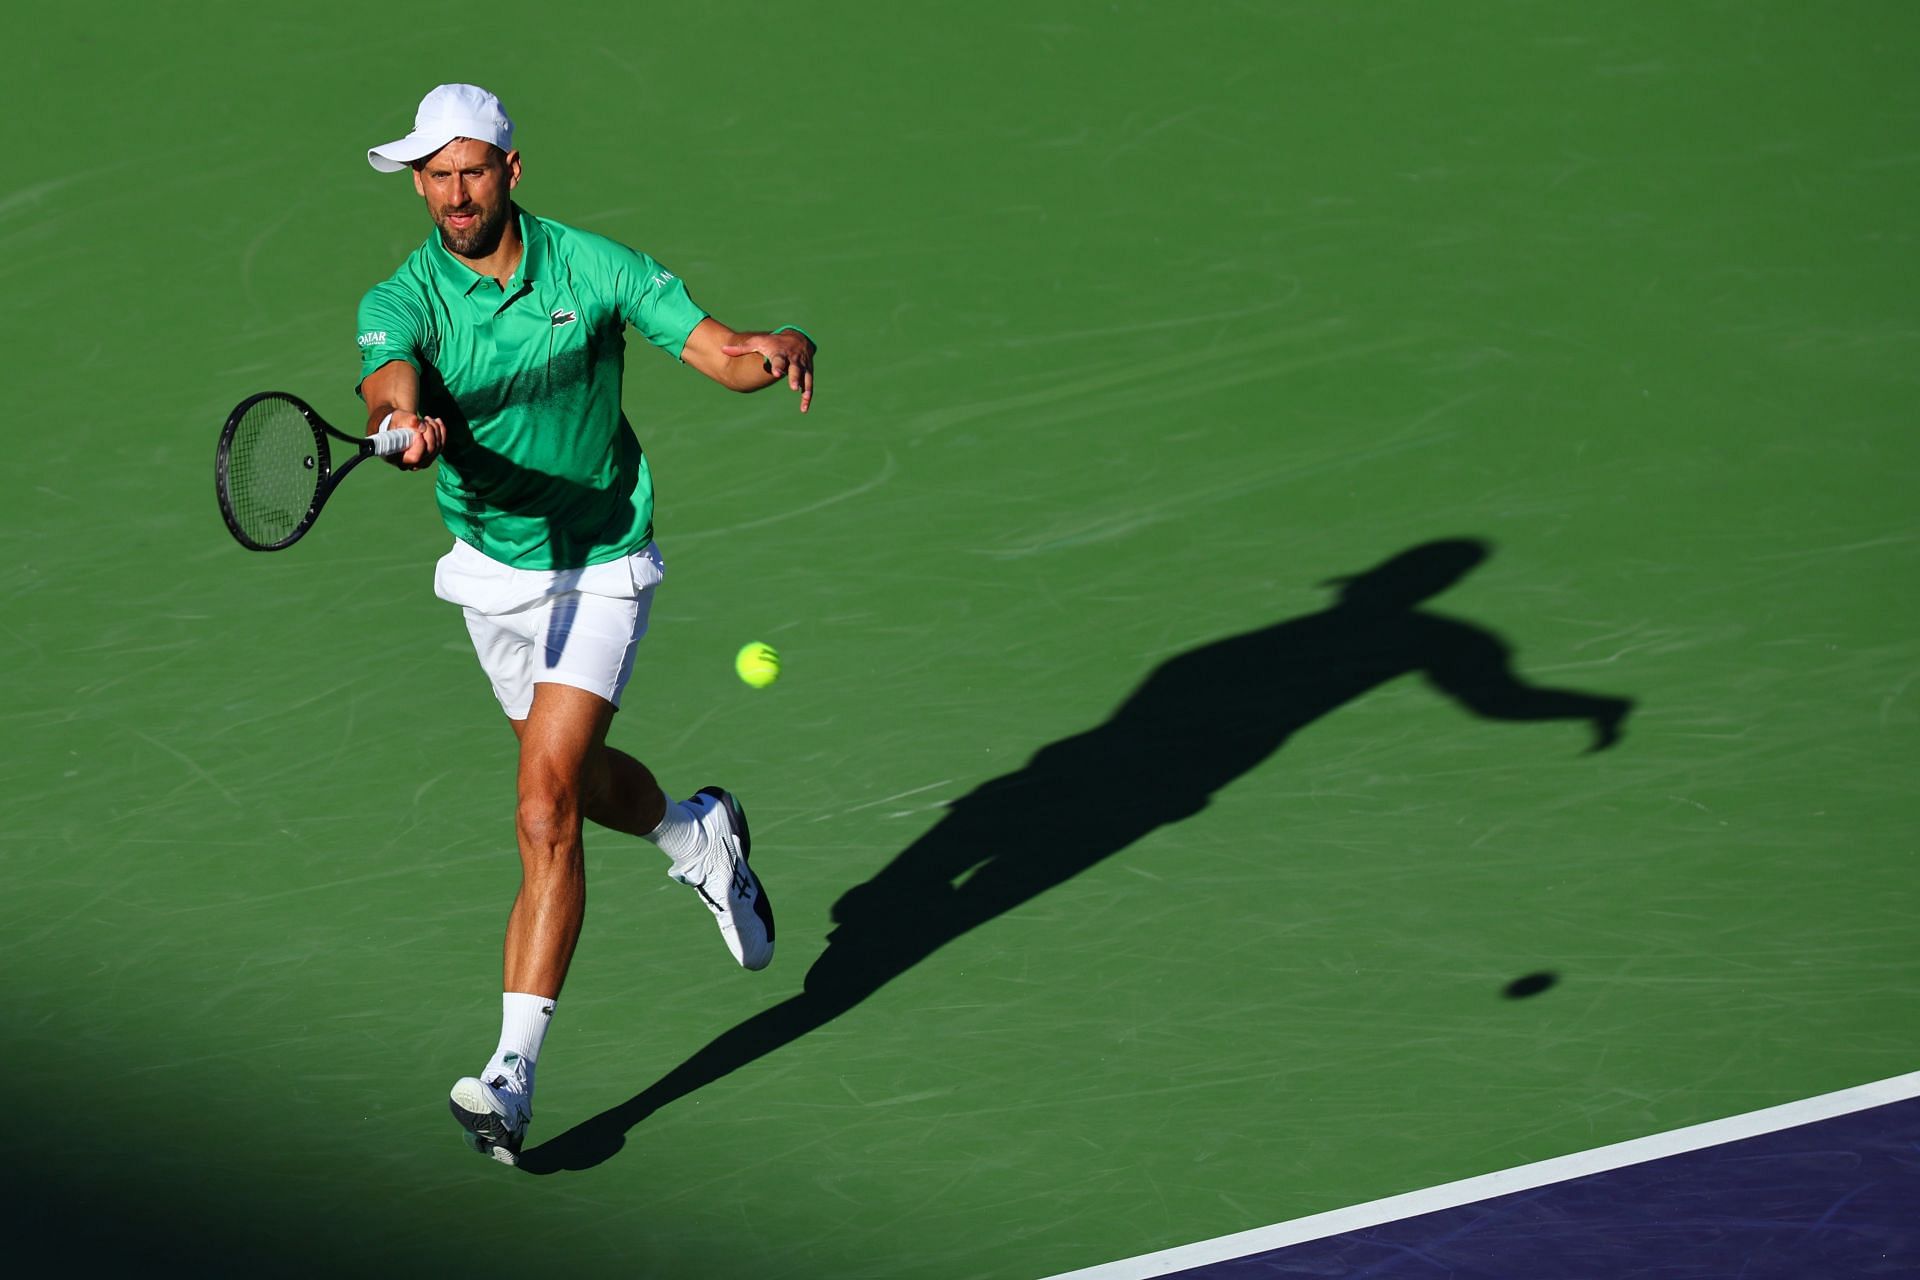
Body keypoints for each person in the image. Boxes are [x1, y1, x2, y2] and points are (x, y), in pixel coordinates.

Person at [354, 83, 816, 1166]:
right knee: (576, 780)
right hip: (492, 574)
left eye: (471, 171)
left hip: (603, 561)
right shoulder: (404, 293)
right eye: (434, 175)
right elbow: (387, 378)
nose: (453, 194)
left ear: (511, 172)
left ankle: (512, 1074)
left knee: (540, 800)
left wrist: (777, 344)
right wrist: (400, 421)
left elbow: (718, 350)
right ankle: (694, 833)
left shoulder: (596, 268)